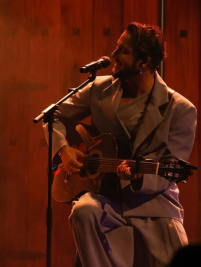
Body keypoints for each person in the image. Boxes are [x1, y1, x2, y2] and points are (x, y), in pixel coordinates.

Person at [46, 22, 196, 266]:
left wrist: (138, 177)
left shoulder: (179, 108)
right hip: (105, 198)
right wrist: (63, 149)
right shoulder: (99, 89)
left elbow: (170, 168)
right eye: (116, 47)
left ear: (144, 62)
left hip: (152, 205)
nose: (113, 54)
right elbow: (53, 116)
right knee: (83, 210)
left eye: (123, 50)